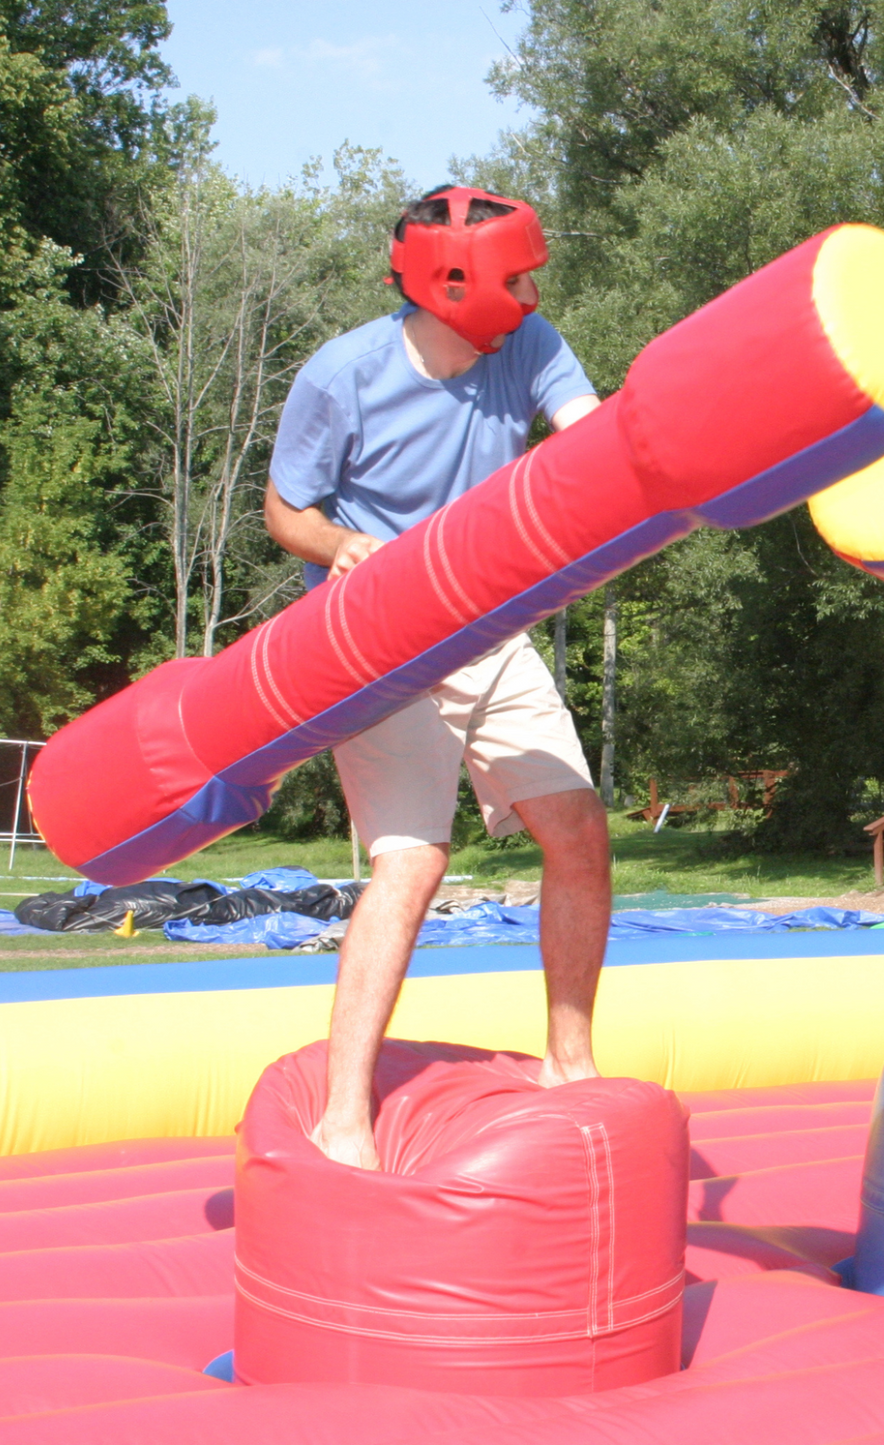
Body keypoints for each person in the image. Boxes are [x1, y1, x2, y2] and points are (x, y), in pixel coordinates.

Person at [264, 185, 609, 1169]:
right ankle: (343, 1115)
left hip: (488, 629)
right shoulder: (345, 375)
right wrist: (340, 546)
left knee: (578, 828)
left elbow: (586, 433)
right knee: (412, 861)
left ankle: (569, 1063)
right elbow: (285, 509)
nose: (535, 290)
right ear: (453, 285)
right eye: (519, 275)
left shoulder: (530, 347)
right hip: (374, 641)